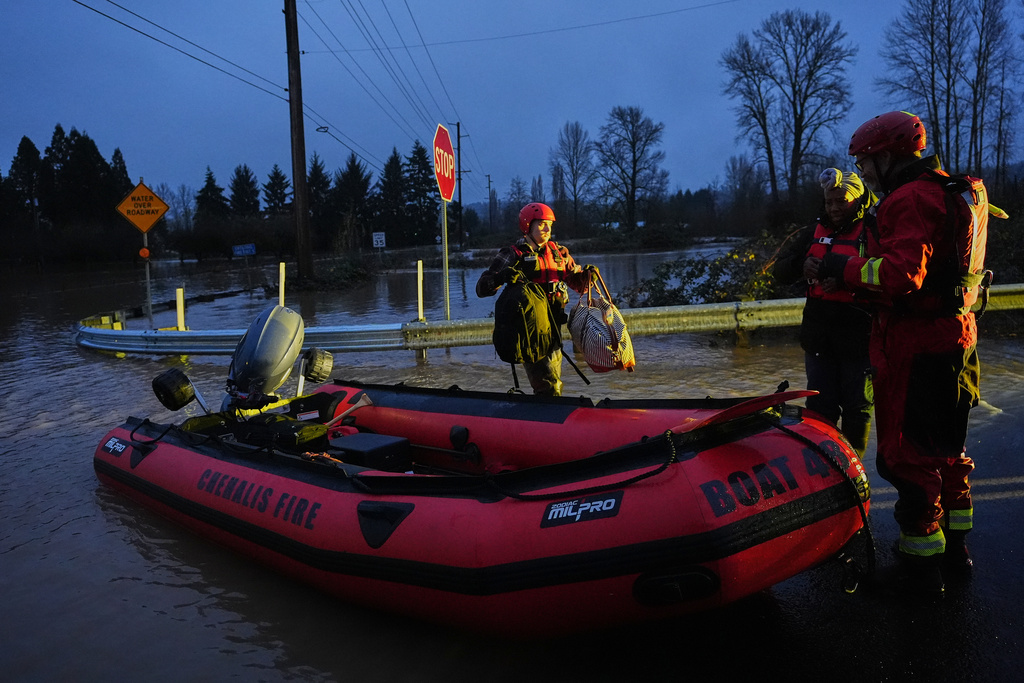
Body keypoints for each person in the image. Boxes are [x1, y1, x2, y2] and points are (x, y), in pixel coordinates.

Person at [813, 111, 989, 596]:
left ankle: (921, 566)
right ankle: (956, 551)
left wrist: (843, 270)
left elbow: (898, 277)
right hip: (958, 337)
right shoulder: (957, 190)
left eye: (866, 163)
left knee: (905, 456)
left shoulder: (908, 199)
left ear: (887, 156)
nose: (864, 173)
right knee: (948, 449)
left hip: (915, 344)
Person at [773, 167, 876, 457]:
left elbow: (894, 279)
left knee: (858, 407)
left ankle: (854, 463)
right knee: (820, 407)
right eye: (830, 202)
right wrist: (800, 265)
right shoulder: (812, 232)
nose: (834, 208)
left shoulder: (873, 231)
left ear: (857, 200)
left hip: (860, 338)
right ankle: (825, 464)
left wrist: (847, 279)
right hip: (819, 339)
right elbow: (779, 271)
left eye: (841, 201)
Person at [476, 202, 596, 396]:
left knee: (554, 382)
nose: (547, 229)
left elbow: (578, 286)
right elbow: (481, 289)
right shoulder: (512, 254)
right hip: (528, 330)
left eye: (549, 224)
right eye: (541, 224)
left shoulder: (559, 253)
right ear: (527, 225)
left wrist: (588, 277)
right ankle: (549, 417)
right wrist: (502, 277)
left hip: (554, 328)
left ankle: (547, 414)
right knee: (548, 385)